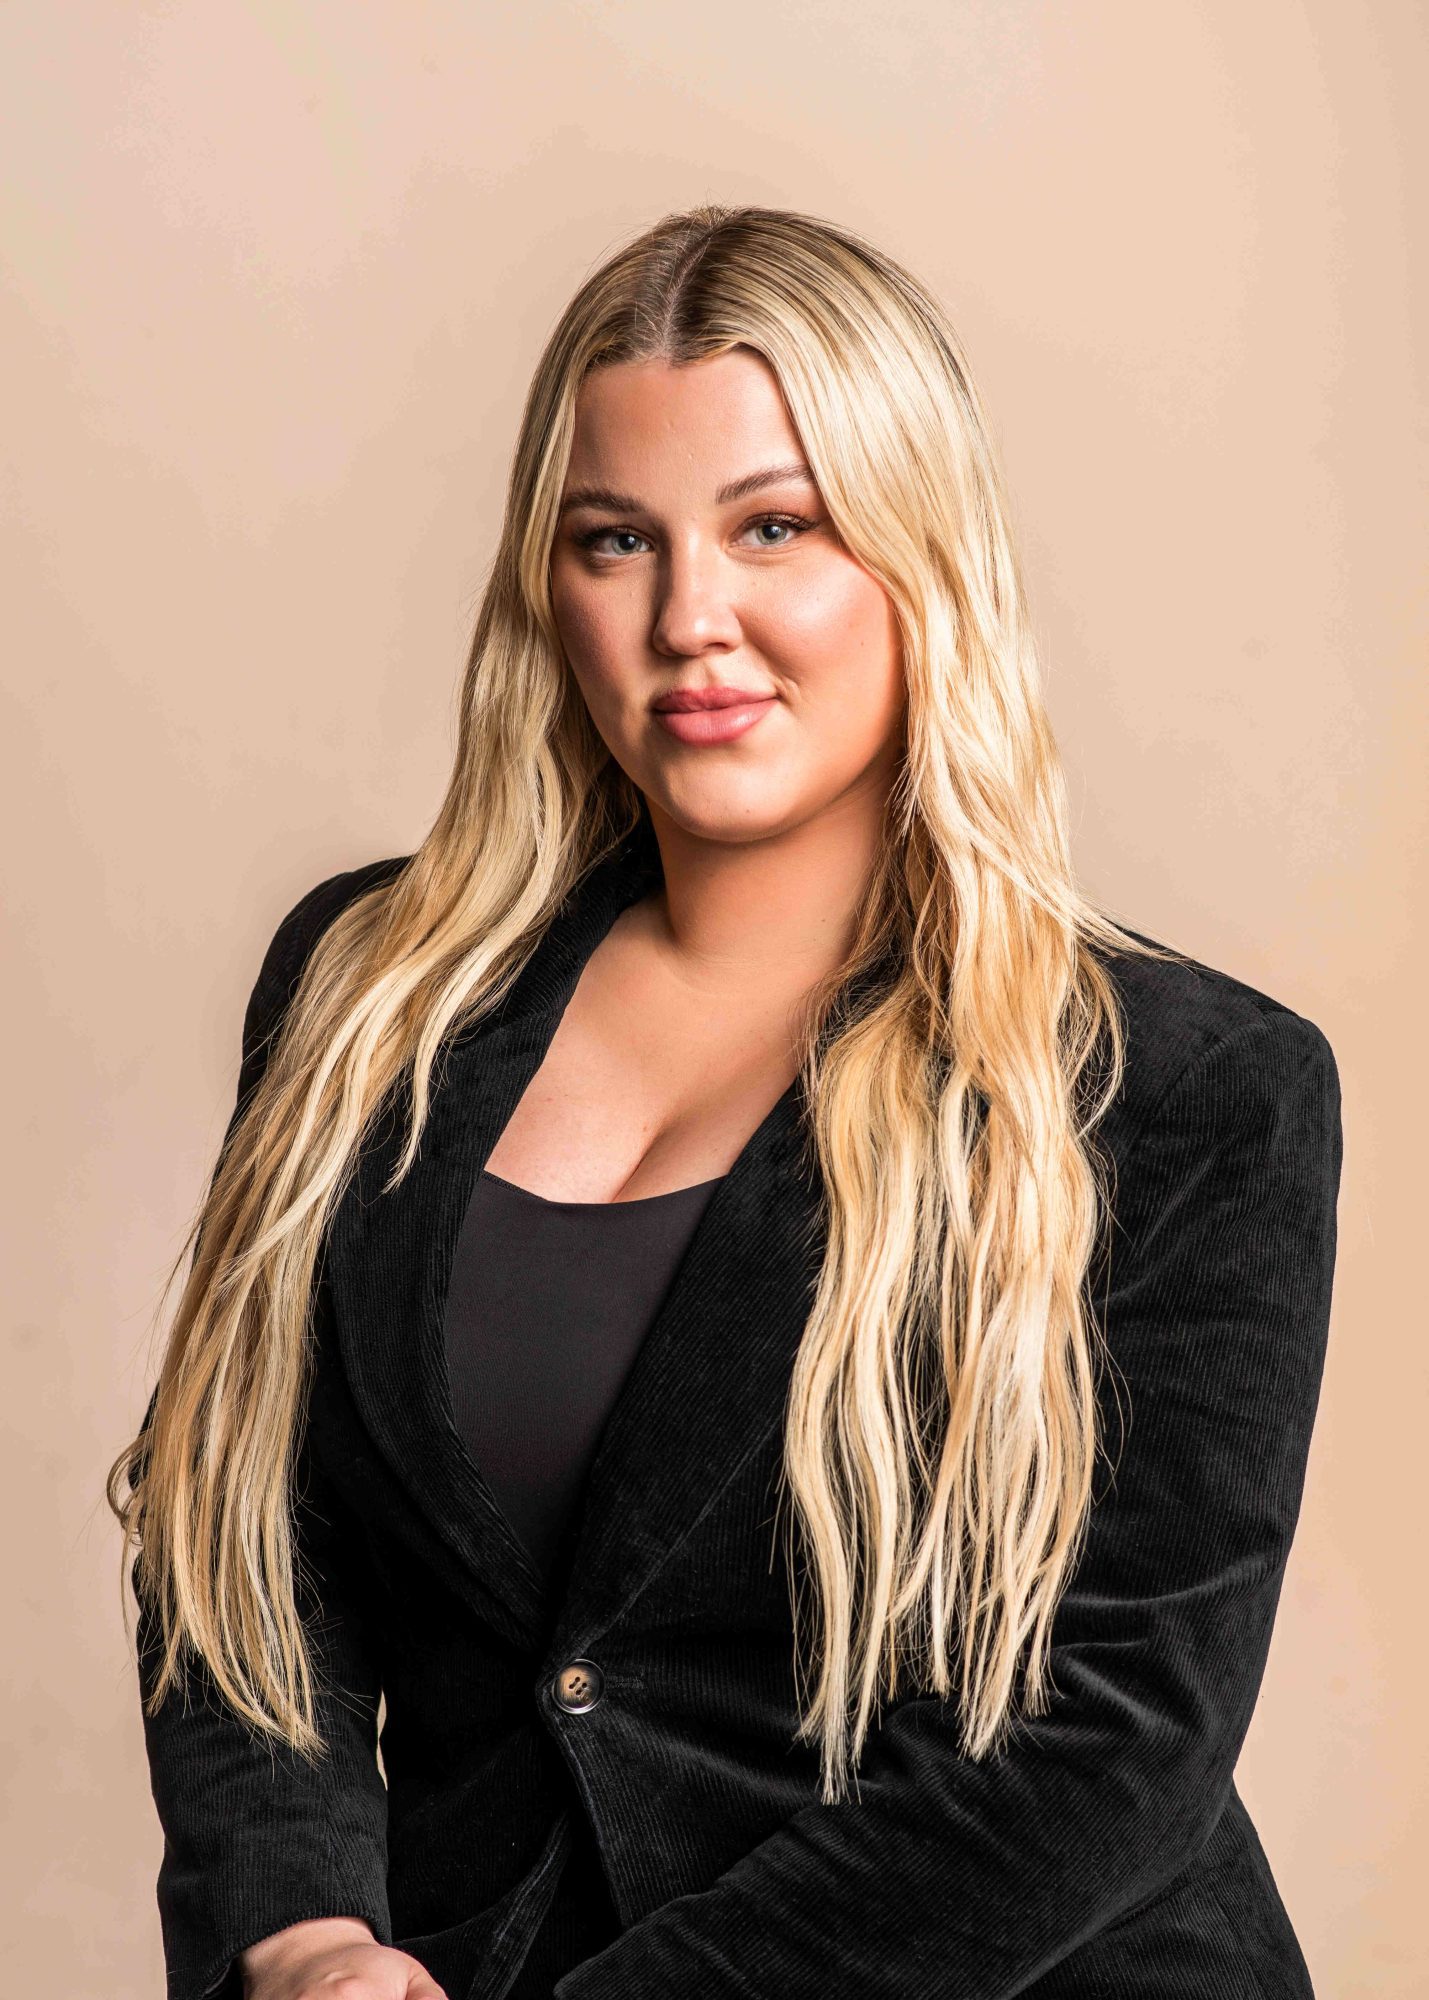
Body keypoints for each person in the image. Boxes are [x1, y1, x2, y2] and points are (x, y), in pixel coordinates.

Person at [109, 203, 1343, 2000]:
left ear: (918, 555)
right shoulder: (365, 990)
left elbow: (1109, 1748)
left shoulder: (1184, 1093)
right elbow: (240, 1542)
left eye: (777, 527)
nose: (692, 620)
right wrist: (296, 1937)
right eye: (617, 541)